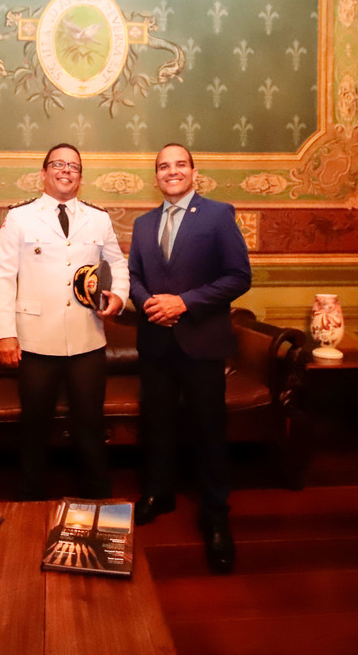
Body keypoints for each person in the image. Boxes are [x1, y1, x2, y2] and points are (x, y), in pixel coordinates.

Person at [127, 143, 252, 574]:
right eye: (164, 166)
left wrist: (183, 303)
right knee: (157, 424)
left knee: (208, 429)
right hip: (155, 343)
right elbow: (135, 279)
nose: (172, 171)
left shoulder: (218, 215)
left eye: (180, 164)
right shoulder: (143, 224)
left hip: (202, 343)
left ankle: (215, 513)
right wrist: (150, 305)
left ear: (194, 172)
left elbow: (239, 277)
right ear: (156, 176)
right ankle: (158, 493)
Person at [0, 143, 130, 500]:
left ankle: (97, 496)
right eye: (58, 164)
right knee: (35, 427)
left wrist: (119, 296)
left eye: (74, 167)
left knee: (90, 425)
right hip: (35, 341)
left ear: (80, 178)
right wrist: (5, 335)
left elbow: (116, 264)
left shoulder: (98, 218)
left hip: (87, 340)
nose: (66, 170)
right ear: (44, 172)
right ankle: (30, 497)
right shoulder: (20, 218)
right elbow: (3, 276)